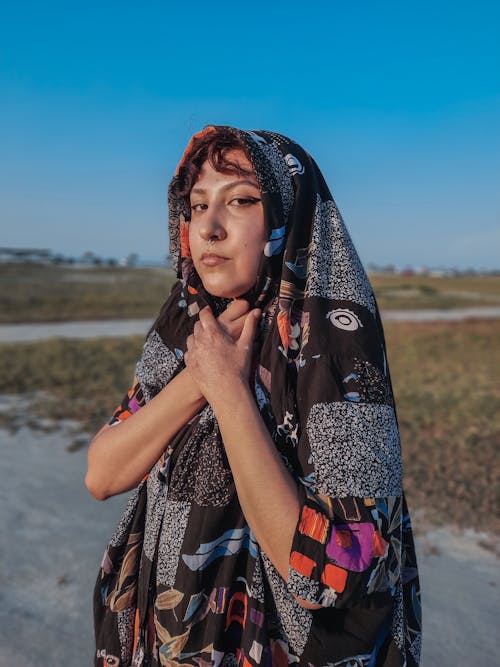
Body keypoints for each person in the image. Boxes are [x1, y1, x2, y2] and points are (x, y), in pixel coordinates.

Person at [86, 126, 422, 667]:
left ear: (290, 215)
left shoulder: (333, 346)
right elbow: (102, 474)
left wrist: (230, 393)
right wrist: (199, 379)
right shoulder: (185, 325)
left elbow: (331, 570)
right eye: (197, 206)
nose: (209, 229)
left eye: (241, 200)